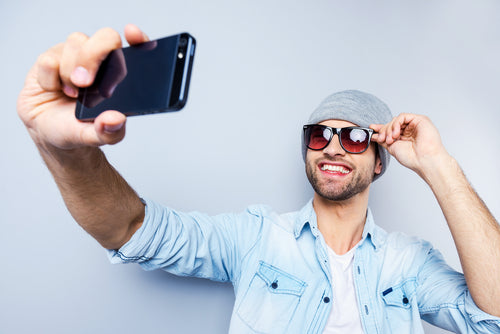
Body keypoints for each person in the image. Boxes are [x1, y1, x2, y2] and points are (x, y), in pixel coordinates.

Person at [17, 24, 500, 334]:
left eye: (354, 137)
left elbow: (494, 317)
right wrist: (63, 149)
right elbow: (132, 232)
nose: (333, 146)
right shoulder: (255, 237)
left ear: (379, 161)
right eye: (319, 135)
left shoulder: (409, 264)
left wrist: (438, 164)